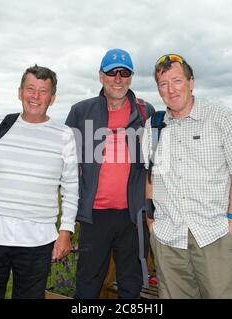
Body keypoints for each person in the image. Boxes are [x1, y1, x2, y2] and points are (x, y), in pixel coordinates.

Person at [143, 54, 232, 299]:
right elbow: (150, 176)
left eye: (177, 81)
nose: (171, 90)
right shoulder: (153, 127)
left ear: (191, 82)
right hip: (168, 238)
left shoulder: (220, 118)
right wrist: (152, 223)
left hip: (215, 235)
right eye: (163, 84)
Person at [0, 65, 78, 299]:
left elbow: (71, 186)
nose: (35, 97)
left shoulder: (64, 134)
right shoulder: (0, 125)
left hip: (38, 241)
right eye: (30, 89)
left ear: (52, 98)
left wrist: (66, 230)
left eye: (43, 91)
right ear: (20, 92)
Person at [65, 48, 155, 299]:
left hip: (133, 217)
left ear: (131, 77)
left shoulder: (146, 111)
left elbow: (154, 163)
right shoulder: (81, 112)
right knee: (87, 285)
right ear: (101, 76)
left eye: (124, 72)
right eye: (111, 72)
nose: (118, 78)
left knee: (131, 285)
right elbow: (66, 164)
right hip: (94, 216)